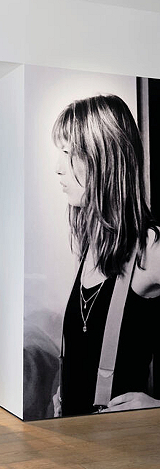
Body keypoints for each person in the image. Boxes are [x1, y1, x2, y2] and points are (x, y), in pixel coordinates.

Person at [53, 94, 160, 417]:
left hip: (117, 443)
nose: (58, 168)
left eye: (68, 153)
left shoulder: (150, 248)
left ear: (103, 158)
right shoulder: (91, 244)